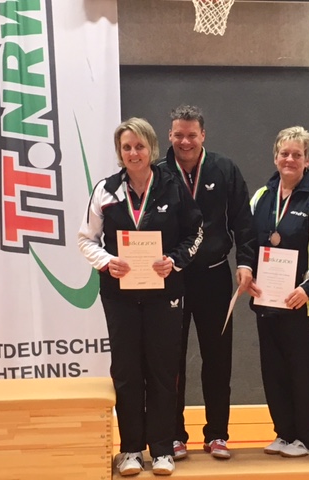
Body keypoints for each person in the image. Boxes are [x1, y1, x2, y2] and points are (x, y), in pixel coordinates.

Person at [78, 117, 203, 477]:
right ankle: (131, 448)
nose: (133, 153)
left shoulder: (172, 186)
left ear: (151, 148)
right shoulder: (106, 190)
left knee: (163, 370)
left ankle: (162, 448)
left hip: (164, 295)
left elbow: (195, 232)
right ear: (120, 152)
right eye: (127, 147)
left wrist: (174, 261)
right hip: (119, 296)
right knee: (127, 371)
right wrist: (107, 262)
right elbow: (86, 239)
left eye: (139, 146)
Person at [157, 105, 254, 460]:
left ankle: (217, 434)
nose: (185, 141)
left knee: (217, 358)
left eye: (191, 135)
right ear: (170, 135)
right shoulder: (158, 173)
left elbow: (243, 221)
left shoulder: (224, 169)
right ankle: (174, 435)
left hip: (214, 275)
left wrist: (246, 263)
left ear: (203, 135)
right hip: (171, 279)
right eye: (178, 135)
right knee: (171, 360)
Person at [247, 126, 309, 458]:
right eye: (284, 153)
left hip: (306, 305)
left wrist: (307, 289)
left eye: (297, 154)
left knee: (304, 372)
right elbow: (250, 244)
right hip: (268, 302)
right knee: (274, 371)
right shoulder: (261, 197)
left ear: (307, 160)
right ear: (275, 157)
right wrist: (248, 273)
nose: (289, 159)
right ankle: (284, 433)